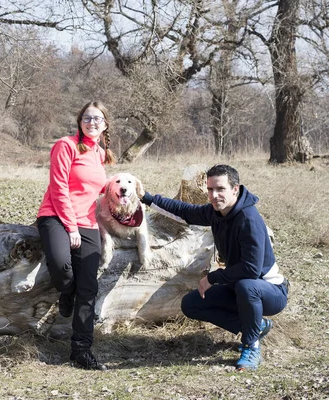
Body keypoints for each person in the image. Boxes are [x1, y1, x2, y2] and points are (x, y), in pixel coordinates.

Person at [137, 164, 288, 371]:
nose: (214, 195)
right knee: (191, 304)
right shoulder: (216, 212)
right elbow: (186, 212)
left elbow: (251, 270)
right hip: (237, 288)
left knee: (247, 285)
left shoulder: (249, 220)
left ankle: (251, 345)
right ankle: (256, 326)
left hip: (269, 292)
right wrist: (148, 198)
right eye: (210, 189)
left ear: (235, 189)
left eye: (220, 189)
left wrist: (213, 278)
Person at [36, 101, 115, 370]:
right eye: (87, 118)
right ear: (80, 121)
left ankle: (81, 349)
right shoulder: (66, 145)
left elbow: (99, 189)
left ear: (105, 124)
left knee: (89, 287)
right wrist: (70, 227)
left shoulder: (100, 153)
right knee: (62, 269)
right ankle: (66, 291)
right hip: (55, 216)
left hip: (87, 221)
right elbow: (59, 188)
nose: (92, 123)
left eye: (97, 119)